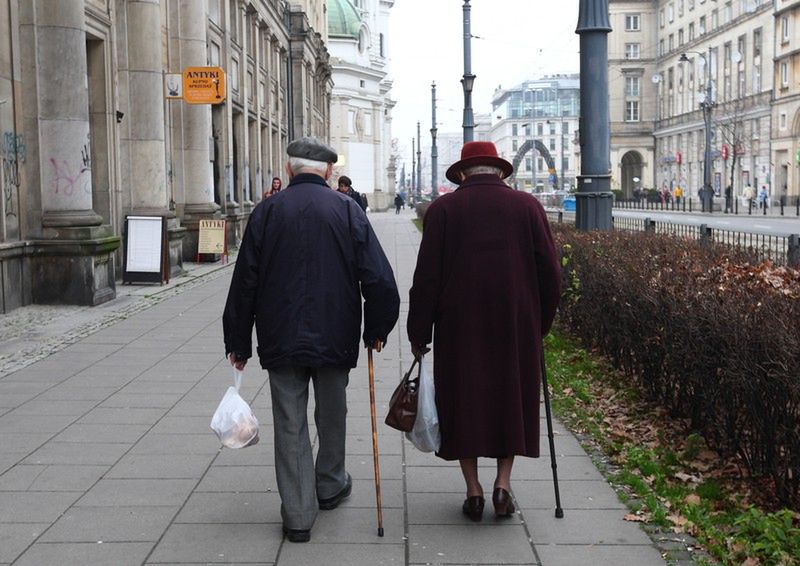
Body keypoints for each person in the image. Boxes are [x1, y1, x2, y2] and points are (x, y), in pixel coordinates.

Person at [223, 137, 400, 543]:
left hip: (280, 333)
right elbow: (379, 279)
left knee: (289, 422)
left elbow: (245, 281)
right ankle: (330, 483)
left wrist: (238, 340)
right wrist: (376, 328)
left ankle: (299, 514)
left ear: (289, 170)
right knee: (333, 411)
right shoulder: (347, 210)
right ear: (327, 172)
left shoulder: (267, 211)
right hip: (335, 333)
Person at [407, 141, 561, 523]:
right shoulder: (528, 207)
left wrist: (418, 332)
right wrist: (540, 322)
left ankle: (473, 490)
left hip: (459, 327)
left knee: (463, 402)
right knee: (511, 399)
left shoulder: (443, 210)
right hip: (514, 324)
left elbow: (426, 278)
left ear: (462, 173)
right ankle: (503, 484)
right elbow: (551, 273)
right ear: (499, 172)